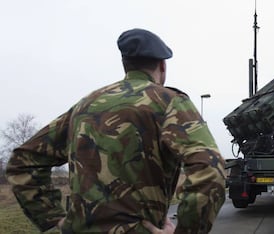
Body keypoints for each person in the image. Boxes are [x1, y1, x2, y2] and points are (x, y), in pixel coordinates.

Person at [6, 28, 226, 233]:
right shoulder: (168, 102)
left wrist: (54, 218)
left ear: (125, 64)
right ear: (162, 66)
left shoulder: (85, 106)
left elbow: (23, 161)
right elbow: (209, 167)